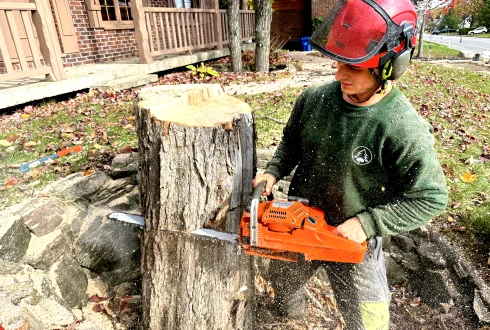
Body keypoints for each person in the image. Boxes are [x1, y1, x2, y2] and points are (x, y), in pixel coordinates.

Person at [252, 0, 448, 329]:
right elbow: (291, 142)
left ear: (389, 66)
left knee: (369, 318)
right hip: (300, 222)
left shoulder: (402, 129)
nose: (339, 74)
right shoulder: (314, 100)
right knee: (284, 285)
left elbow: (431, 196)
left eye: (353, 68)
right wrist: (273, 171)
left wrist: (368, 223)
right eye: (338, 62)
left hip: (353, 236)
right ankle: (291, 315)